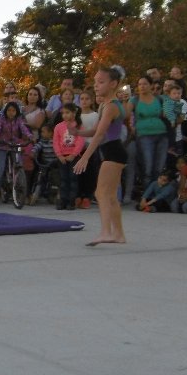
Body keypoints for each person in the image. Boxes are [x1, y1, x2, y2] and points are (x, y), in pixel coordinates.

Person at [74, 66, 127, 245]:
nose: (96, 85)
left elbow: (99, 135)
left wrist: (85, 157)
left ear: (113, 84)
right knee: (110, 196)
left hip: (113, 152)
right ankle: (118, 234)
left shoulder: (111, 106)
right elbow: (95, 131)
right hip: (113, 152)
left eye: (101, 82)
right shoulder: (105, 104)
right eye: (95, 81)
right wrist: (77, 132)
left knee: (101, 193)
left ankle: (106, 232)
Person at [52, 103, 84, 210]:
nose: (65, 115)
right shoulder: (58, 127)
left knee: (73, 179)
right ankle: (63, 200)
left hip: (74, 157)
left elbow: (80, 141)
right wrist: (59, 155)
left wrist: (73, 154)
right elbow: (56, 142)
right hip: (62, 157)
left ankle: (71, 201)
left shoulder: (78, 126)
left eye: (67, 112)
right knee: (63, 179)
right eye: (63, 113)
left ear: (74, 113)